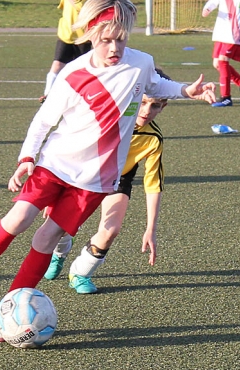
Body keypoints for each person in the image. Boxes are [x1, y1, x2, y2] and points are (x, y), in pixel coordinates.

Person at [0, 0, 216, 342]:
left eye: (121, 39)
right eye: (106, 40)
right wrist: (26, 159)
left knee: (47, 236)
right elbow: (42, 122)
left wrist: (186, 90)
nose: (114, 47)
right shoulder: (73, 73)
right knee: (18, 219)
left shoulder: (141, 63)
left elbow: (156, 85)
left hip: (97, 181)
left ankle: (9, 311)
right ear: (89, 35)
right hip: (56, 164)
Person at [43, 91, 168, 294]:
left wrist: (150, 229)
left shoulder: (153, 138)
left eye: (155, 105)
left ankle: (80, 273)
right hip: (83, 172)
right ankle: (60, 251)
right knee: (59, 224)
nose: (146, 111)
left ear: (163, 107)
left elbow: (153, 184)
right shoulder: (107, 118)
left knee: (110, 230)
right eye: (142, 102)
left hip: (118, 178)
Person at [40, 0, 91, 101]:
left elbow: (80, 6)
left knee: (84, 69)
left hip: (82, 36)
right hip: (66, 35)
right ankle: (48, 94)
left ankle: (85, 96)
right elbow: (65, 10)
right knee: (57, 64)